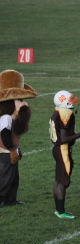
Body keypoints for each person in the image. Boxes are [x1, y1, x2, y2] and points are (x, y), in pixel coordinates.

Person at [0, 70, 37, 208]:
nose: (24, 104)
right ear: (10, 103)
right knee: (5, 177)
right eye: (20, 101)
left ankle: (11, 200)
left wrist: (17, 149)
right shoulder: (6, 118)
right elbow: (4, 136)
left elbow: (13, 136)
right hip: (4, 153)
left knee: (14, 178)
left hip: (10, 151)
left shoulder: (12, 118)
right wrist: (11, 150)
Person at [50, 90, 80, 219]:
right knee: (63, 182)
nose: (73, 101)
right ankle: (61, 211)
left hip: (58, 148)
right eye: (70, 99)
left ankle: (58, 210)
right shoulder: (65, 113)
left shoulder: (57, 111)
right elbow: (65, 137)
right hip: (63, 149)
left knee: (58, 180)